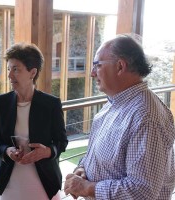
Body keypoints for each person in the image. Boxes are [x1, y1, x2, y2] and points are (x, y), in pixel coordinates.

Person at [64, 34, 175, 199]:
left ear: (120, 66)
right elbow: (101, 157)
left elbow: (142, 191)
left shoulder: (146, 116)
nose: (92, 73)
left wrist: (87, 188)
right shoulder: (114, 104)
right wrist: (83, 169)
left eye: (97, 65)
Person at [0, 43, 68, 200]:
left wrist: (47, 151)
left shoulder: (51, 104)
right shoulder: (0, 103)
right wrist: (7, 151)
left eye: (16, 69)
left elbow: (61, 141)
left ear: (32, 73)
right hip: (9, 182)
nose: (10, 75)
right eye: (9, 69)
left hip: (43, 182)